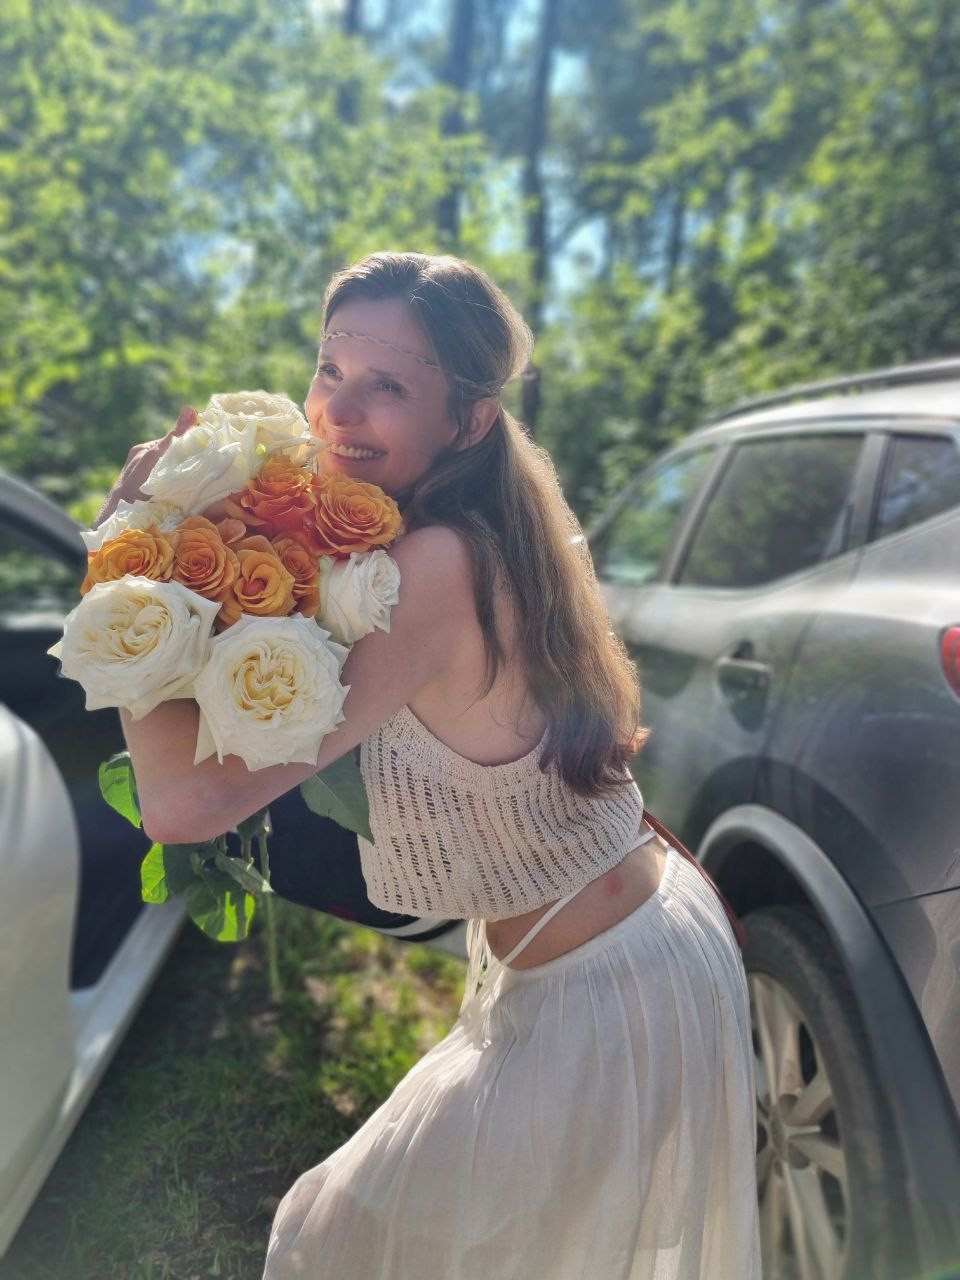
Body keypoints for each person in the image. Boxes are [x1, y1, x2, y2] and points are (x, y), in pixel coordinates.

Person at [106, 252, 761, 1279]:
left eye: (389, 386)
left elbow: (185, 805)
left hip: (609, 993)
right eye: (331, 371)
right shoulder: (480, 527)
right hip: (624, 946)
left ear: (468, 420)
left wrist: (130, 558)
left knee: (332, 1244)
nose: (339, 409)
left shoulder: (438, 566)